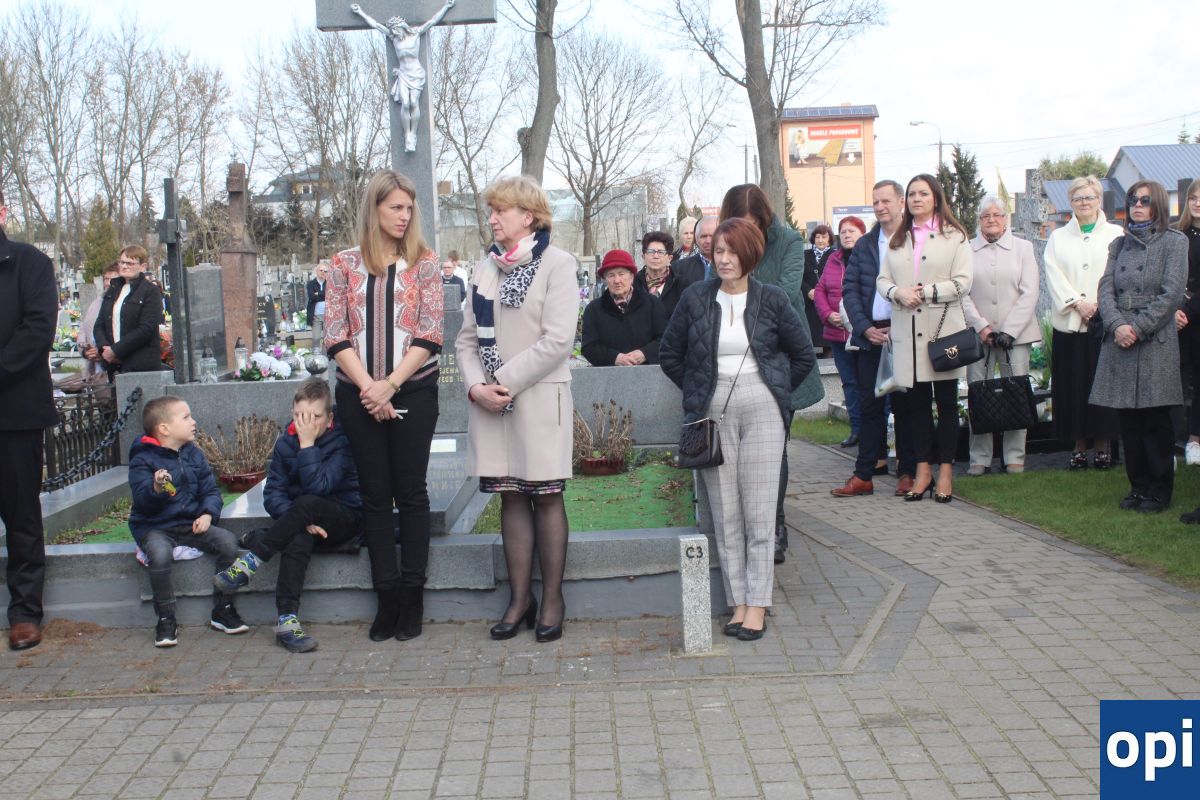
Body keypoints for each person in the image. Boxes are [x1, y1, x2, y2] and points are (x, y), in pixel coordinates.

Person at [660, 218, 815, 641]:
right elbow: (670, 353)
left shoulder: (772, 299)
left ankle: (758, 603)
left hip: (763, 404)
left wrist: (777, 389)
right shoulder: (695, 297)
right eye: (719, 251)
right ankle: (738, 602)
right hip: (713, 409)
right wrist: (699, 387)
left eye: (732, 251)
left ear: (750, 254)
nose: (724, 259)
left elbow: (803, 355)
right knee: (725, 511)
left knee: (759, 510)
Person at [455, 175, 578, 643]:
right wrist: (476, 388)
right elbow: (466, 341)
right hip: (492, 405)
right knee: (509, 495)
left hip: (539, 399)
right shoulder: (484, 269)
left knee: (545, 496)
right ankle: (519, 599)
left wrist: (500, 381)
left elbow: (558, 340)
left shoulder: (557, 264)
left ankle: (553, 600)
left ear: (527, 216)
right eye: (491, 211)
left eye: (499, 210)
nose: (491, 218)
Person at [324, 169, 444, 642]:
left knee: (410, 493)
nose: (404, 215)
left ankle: (413, 596)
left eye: (409, 208)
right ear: (374, 208)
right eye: (396, 207)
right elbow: (335, 333)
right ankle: (386, 596)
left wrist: (390, 385)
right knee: (375, 496)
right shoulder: (343, 264)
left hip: (413, 390)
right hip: (357, 395)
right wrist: (369, 389)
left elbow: (430, 333)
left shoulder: (425, 263)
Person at [213, 378, 363, 652]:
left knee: (307, 502)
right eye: (299, 416)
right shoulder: (285, 444)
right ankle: (286, 621)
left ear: (330, 419)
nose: (306, 424)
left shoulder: (343, 441)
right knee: (298, 536)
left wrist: (307, 446)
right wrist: (301, 520)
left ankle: (254, 557)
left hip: (344, 519)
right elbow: (273, 495)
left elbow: (320, 487)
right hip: (302, 523)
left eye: (314, 417)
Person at [718, 184, 825, 564]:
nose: (747, 231)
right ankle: (745, 525)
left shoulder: (788, 242)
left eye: (754, 223)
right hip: (735, 360)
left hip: (778, 356)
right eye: (740, 222)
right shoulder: (725, 243)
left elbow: (785, 291)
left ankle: (775, 526)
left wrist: (740, 299)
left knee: (773, 449)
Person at [1090, 181, 1188, 514]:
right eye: (1133, 200)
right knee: (1129, 420)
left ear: (1157, 204)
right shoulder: (1118, 244)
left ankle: (1159, 490)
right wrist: (1117, 325)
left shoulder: (1174, 242)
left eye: (1145, 201)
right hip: (1120, 338)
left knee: (1155, 420)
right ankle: (1138, 486)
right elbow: (1105, 288)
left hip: (1154, 339)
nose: (1137, 206)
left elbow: (1172, 294)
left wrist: (1139, 327)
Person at [877, 174, 973, 503]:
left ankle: (945, 470)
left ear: (936, 198)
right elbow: (882, 280)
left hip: (942, 332)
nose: (916, 199)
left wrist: (927, 292)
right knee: (916, 407)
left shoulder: (955, 236)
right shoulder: (898, 238)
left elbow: (963, 282)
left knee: (946, 404)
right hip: (907, 332)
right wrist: (897, 292)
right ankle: (922, 471)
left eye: (923, 193)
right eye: (912, 194)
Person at [128, 396, 248, 647]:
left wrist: (207, 514)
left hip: (190, 524)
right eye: (186, 417)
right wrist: (156, 488)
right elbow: (142, 502)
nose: (193, 421)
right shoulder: (142, 459)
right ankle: (166, 618)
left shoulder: (194, 454)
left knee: (228, 543)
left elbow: (211, 492)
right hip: (155, 526)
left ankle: (223, 608)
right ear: (164, 428)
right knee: (159, 554)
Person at [0, 186, 57, 651]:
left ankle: (24, 612)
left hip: (13, 412)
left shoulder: (30, 264)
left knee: (20, 516)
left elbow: (37, 330)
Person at [833, 180, 917, 498]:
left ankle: (907, 472)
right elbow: (850, 289)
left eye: (886, 201)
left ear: (900, 202)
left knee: (906, 407)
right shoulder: (866, 244)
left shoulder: (914, 240)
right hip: (871, 336)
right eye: (875, 202)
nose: (880, 207)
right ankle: (864, 475)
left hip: (905, 334)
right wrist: (863, 327)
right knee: (870, 406)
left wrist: (901, 326)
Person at [1043, 175, 1124, 470]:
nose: (1084, 203)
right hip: (1071, 323)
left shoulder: (1116, 233)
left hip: (1105, 321)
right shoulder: (1058, 237)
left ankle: (1103, 445)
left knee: (1102, 386)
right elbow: (1053, 274)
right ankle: (1078, 445)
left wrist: (1101, 305)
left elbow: (1120, 273)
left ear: (1099, 200)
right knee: (1073, 387)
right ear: (1071, 202)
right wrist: (1078, 303)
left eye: (1089, 197)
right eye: (1078, 198)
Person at [962, 197, 1040, 475]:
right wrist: (981, 326)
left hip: (1016, 336)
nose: (992, 219)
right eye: (986, 216)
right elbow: (962, 292)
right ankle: (979, 457)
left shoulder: (1023, 248)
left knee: (1016, 393)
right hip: (978, 336)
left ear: (1006, 219)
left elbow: (1030, 292)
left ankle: (1015, 456)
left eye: (997, 214)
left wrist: (1010, 331)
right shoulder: (966, 249)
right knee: (978, 393)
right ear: (979, 220)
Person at [351, 0, 456, 152]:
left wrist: (446, 6)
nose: (393, 33)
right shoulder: (394, 39)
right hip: (403, 75)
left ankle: (414, 133)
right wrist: (360, 12)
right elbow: (376, 25)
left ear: (401, 27)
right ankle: (408, 136)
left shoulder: (416, 34)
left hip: (416, 73)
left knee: (413, 102)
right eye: (392, 31)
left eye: (395, 30)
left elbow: (433, 21)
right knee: (405, 103)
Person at [815, 217, 867, 448]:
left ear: (862, 234)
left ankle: (874, 431)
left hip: (863, 334)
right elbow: (820, 290)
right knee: (849, 383)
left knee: (868, 383)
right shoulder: (833, 259)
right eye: (843, 231)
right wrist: (828, 314)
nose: (847, 235)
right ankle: (856, 429)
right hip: (837, 335)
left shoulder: (869, 257)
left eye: (852, 231)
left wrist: (856, 319)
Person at [582, 249, 666, 366]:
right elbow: (588, 347)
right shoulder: (594, 309)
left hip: (647, 372)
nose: (617, 280)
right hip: (608, 374)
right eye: (611, 275)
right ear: (605, 279)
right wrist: (614, 358)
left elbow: (666, 339)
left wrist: (645, 353)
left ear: (631, 277)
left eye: (621, 274)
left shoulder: (652, 304)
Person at [93, 245, 165, 376]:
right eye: (122, 262)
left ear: (142, 267)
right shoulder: (113, 289)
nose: (124, 266)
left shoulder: (150, 291)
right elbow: (99, 324)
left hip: (140, 366)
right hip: (114, 365)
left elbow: (146, 329)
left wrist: (116, 351)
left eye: (130, 263)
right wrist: (104, 349)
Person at [1176, 179, 1200, 468]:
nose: (1197, 203)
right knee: (1178, 382)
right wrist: (1176, 311)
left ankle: (1195, 439)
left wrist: (1188, 310)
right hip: (1177, 321)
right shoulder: (1177, 235)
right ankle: (1173, 441)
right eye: (1193, 198)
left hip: (1193, 317)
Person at [635, 231, 695, 319]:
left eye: (660, 252)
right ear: (643, 256)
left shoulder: (682, 285)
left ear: (669, 258)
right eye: (651, 252)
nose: (655, 256)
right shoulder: (633, 284)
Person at [78, 261, 120, 378]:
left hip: (114, 365)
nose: (107, 283)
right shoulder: (96, 303)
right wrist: (85, 351)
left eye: (112, 279)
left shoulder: (124, 304)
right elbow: (84, 329)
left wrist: (102, 351)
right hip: (95, 368)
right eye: (106, 279)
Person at [804, 224, 835, 358]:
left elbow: (837, 277)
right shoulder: (805, 255)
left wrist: (822, 292)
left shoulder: (835, 255)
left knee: (826, 332)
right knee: (811, 329)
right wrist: (808, 290)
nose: (820, 240)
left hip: (828, 300)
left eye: (824, 237)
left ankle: (828, 352)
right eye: (817, 237)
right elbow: (799, 276)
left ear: (829, 239)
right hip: (809, 300)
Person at [674, 215, 716, 282]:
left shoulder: (731, 264)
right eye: (703, 236)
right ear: (696, 238)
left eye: (712, 236)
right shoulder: (678, 267)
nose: (708, 241)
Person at [306, 261, 329, 350]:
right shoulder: (311, 284)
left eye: (325, 271)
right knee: (316, 338)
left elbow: (330, 296)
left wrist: (318, 294)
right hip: (316, 316)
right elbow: (312, 297)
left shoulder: (329, 283)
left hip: (328, 316)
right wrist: (324, 295)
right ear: (317, 271)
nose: (323, 272)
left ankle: (327, 355)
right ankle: (316, 355)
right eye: (321, 270)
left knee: (328, 338)